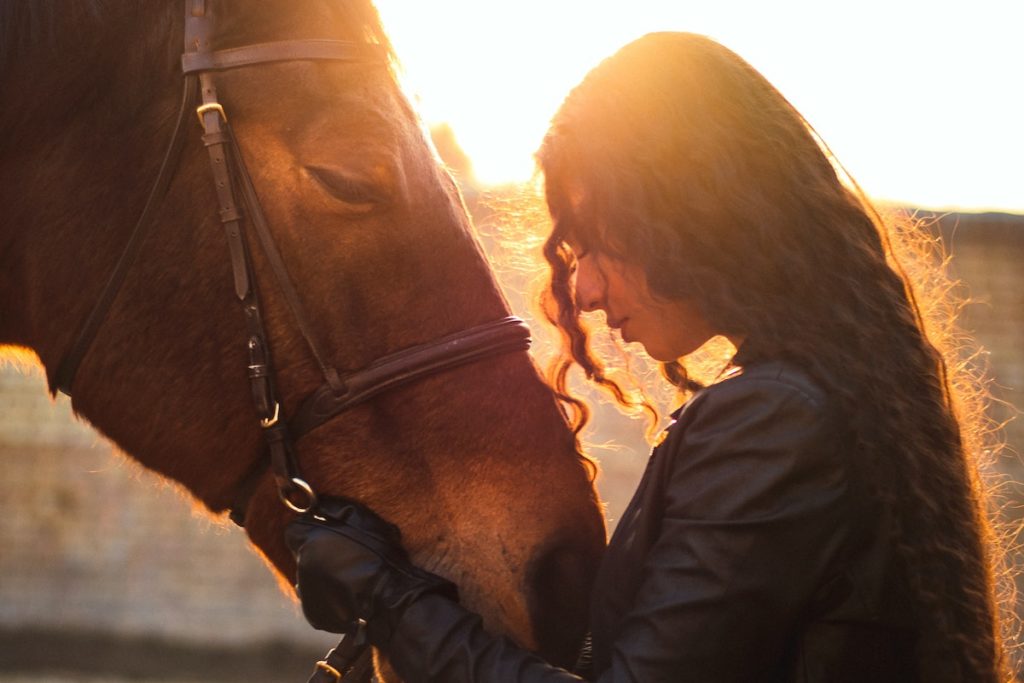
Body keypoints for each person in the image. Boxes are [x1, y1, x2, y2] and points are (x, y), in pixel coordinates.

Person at [285, 32, 1010, 682]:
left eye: (602, 238)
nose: (585, 288)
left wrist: (388, 598)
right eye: (573, 250)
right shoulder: (815, 399)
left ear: (698, 210)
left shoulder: (777, 422)